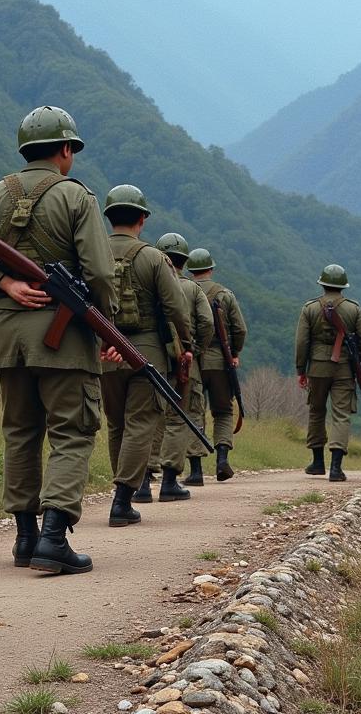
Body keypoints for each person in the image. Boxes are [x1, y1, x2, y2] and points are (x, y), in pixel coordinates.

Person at [0, 106, 117, 574]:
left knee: (20, 432)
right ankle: (54, 538)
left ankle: (25, 538)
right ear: (64, 150)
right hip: (64, 340)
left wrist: (2, 284)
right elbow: (99, 271)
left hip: (8, 338)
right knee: (72, 431)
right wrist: (107, 323)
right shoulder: (76, 198)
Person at [101, 186, 192, 524]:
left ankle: (123, 489)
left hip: (104, 352)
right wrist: (187, 346)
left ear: (109, 217)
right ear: (142, 218)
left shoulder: (92, 252)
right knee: (141, 422)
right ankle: (124, 498)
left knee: (116, 424)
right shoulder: (154, 258)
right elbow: (176, 309)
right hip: (147, 354)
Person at [294, 263, 361, 482]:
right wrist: (357, 361)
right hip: (344, 368)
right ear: (343, 286)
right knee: (341, 414)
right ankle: (336, 467)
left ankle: (317, 463)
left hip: (317, 367)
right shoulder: (354, 309)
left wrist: (301, 369)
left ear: (323, 283)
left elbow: (302, 342)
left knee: (317, 411)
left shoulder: (309, 308)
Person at [149, 233, 214, 489]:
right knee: (182, 415)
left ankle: (143, 480)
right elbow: (207, 323)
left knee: (151, 417)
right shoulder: (192, 289)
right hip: (186, 361)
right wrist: (196, 350)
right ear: (185, 261)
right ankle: (170, 480)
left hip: (153, 358)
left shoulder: (150, 284)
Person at [186, 247, 247, 482]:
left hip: (193, 361)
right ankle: (222, 459)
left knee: (194, 411)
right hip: (221, 360)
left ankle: (196, 470)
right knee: (222, 411)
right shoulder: (225, 294)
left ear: (192, 270)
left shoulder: (185, 291)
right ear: (211, 268)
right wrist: (235, 352)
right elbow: (239, 329)